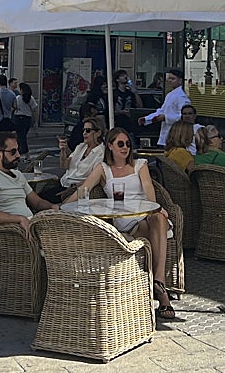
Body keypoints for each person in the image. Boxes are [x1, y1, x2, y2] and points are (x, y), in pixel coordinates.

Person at [66, 127, 176, 320]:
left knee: (158, 218)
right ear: (110, 146)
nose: (125, 148)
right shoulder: (103, 169)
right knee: (156, 226)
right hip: (125, 221)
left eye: (127, 144)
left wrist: (155, 207)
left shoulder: (139, 165)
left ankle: (159, 283)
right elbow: (84, 190)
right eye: (120, 144)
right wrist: (61, 207)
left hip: (146, 213)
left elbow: (149, 189)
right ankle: (159, 289)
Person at [0, 132, 58, 237]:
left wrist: (53, 207)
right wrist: (19, 219)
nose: (18, 155)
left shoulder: (18, 174)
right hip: (14, 232)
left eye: (18, 150)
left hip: (32, 225)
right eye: (13, 151)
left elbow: (37, 202)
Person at [40, 116, 106, 202]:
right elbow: (64, 165)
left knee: (43, 200)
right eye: (83, 130)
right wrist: (63, 150)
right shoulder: (81, 147)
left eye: (88, 130)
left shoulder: (101, 153)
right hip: (63, 183)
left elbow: (93, 179)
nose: (84, 133)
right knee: (37, 197)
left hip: (75, 189)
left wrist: (73, 189)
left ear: (98, 133)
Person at [139, 67, 187, 147]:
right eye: (169, 78)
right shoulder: (170, 95)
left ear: (180, 80)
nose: (170, 81)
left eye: (173, 78)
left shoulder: (182, 97)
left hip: (175, 133)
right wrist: (147, 119)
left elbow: (184, 116)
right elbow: (161, 111)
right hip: (165, 133)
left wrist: (165, 117)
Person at [13, 82, 36, 156]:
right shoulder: (31, 98)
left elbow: (14, 107)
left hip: (19, 118)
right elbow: (34, 109)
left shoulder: (18, 98)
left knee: (21, 137)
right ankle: (18, 152)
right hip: (27, 119)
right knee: (22, 136)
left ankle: (26, 154)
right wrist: (35, 121)